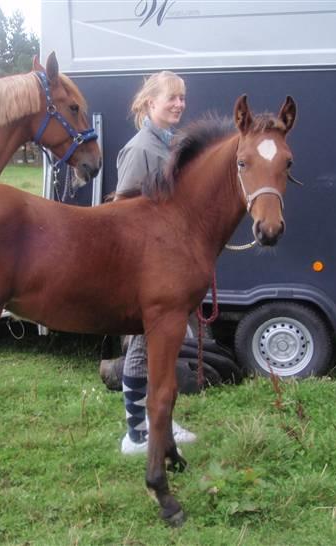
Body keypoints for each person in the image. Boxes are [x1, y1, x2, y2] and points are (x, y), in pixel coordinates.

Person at [114, 71, 197, 455]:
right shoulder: (141, 149)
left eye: (182, 98)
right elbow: (122, 214)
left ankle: (155, 419)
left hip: (167, 264)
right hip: (142, 266)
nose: (179, 104)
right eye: (171, 98)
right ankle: (136, 432)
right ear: (151, 103)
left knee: (160, 345)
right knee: (140, 346)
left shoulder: (172, 144)